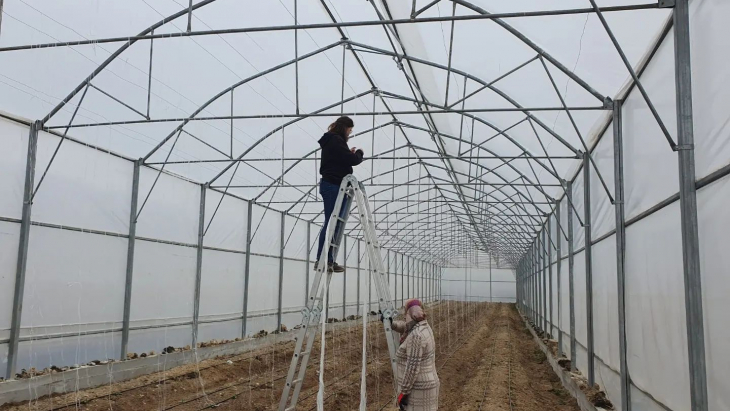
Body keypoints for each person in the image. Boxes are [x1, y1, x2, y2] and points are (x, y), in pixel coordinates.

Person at [314, 116, 364, 273]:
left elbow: (342, 159)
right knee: (331, 223)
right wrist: (359, 154)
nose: (350, 133)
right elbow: (352, 160)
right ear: (344, 128)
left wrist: (348, 155)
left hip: (335, 185)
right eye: (349, 130)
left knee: (335, 223)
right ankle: (322, 260)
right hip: (332, 185)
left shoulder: (334, 142)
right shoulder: (335, 140)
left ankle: (329, 260)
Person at [391, 299, 440, 411]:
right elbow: (405, 326)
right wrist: (392, 324)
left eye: (406, 313)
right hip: (426, 385)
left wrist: (403, 393)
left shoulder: (416, 336)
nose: (404, 316)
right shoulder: (423, 326)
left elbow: (412, 369)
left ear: (411, 314)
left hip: (418, 390)